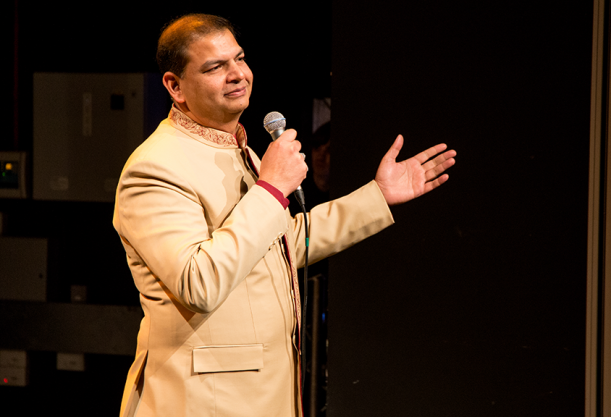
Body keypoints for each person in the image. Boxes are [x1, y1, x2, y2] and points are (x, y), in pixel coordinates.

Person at [113, 13, 455, 417]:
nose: (237, 74)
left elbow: (278, 246)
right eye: (215, 67)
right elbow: (198, 282)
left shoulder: (238, 149)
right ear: (175, 86)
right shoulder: (155, 167)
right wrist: (272, 189)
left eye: (240, 58)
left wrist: (377, 197)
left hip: (262, 393)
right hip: (206, 402)